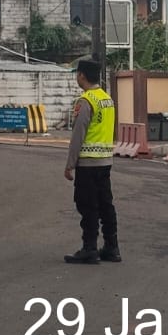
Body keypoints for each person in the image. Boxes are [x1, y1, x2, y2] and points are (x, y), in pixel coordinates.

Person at [63, 57, 119, 264]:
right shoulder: (107, 99)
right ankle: (112, 247)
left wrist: (69, 165)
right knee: (106, 205)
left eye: (77, 74)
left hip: (87, 164)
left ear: (82, 76)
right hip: (105, 162)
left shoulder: (85, 101)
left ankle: (89, 248)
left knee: (88, 206)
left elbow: (78, 136)